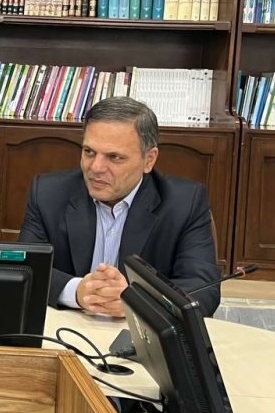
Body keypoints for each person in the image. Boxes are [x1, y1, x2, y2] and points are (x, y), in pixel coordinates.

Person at [18, 96, 221, 318]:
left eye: (114, 157)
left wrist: (138, 301)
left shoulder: (184, 203)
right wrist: (77, 291)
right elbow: (24, 268)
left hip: (142, 332)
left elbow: (204, 289)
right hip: (67, 325)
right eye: (89, 152)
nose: (96, 167)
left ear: (149, 160)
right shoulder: (48, 194)